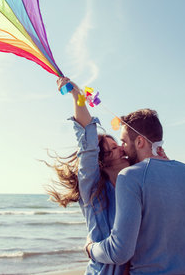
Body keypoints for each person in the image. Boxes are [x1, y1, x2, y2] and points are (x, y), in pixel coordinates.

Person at [85, 109, 185, 274]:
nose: (122, 149)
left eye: (124, 142)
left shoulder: (130, 177)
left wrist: (91, 248)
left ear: (139, 142)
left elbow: (120, 251)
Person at [45, 77, 129, 275]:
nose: (121, 150)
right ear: (102, 161)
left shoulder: (136, 182)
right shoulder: (93, 187)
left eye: (117, 145)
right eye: (112, 149)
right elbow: (87, 144)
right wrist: (77, 96)